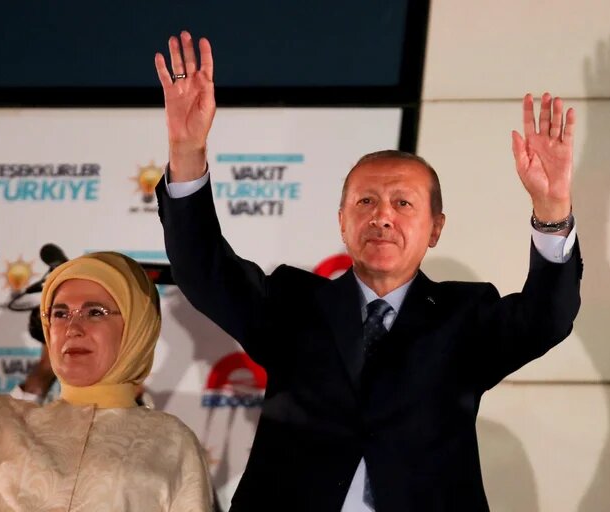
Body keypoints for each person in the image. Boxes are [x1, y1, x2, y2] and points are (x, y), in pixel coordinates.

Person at [154, 32, 582, 511]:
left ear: (435, 228)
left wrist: (552, 208)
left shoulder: (465, 316)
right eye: (366, 202)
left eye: (403, 203)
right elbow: (203, 269)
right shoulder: (293, 303)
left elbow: (549, 317)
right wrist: (187, 151)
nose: (382, 217)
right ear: (342, 221)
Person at [0, 235, 213, 511]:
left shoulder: (171, 442)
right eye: (59, 314)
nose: (73, 327)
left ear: (136, 327)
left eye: (95, 312)